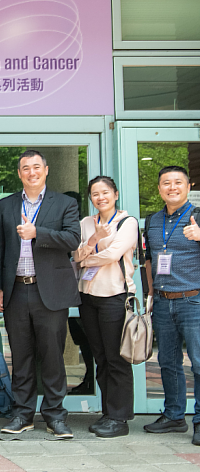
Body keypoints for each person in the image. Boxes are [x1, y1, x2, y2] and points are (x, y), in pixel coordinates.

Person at [0, 149, 80, 439]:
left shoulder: (64, 203)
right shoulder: (6, 205)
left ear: (46, 170)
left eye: (36, 167)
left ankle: (55, 416)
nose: (31, 172)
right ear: (19, 173)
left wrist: (37, 233)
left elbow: (73, 239)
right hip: (16, 289)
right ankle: (22, 414)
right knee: (21, 355)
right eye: (25, 168)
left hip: (50, 292)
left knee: (52, 356)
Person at [72, 176, 136, 438]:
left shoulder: (127, 222)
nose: (100, 197)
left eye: (105, 192)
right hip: (88, 297)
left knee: (116, 357)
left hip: (114, 296)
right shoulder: (86, 223)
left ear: (116, 194)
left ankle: (120, 418)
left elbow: (113, 254)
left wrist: (87, 258)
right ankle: (108, 412)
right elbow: (74, 255)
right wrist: (91, 243)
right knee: (100, 358)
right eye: (95, 194)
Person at [142, 166, 200, 444]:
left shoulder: (198, 216)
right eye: (166, 183)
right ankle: (174, 416)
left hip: (194, 299)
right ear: (159, 189)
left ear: (188, 187)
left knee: (199, 363)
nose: (172, 187)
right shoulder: (152, 220)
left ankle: (199, 420)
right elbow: (150, 260)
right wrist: (151, 295)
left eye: (178, 182)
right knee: (167, 361)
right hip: (163, 302)